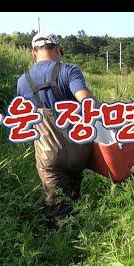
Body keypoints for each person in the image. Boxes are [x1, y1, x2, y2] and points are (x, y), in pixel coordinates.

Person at [16, 32, 96, 228]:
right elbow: (87, 102)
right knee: (74, 190)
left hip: (49, 152)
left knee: (57, 205)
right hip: (80, 150)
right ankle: (83, 230)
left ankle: (65, 244)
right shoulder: (69, 70)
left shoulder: (22, 81)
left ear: (33, 53)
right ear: (58, 49)